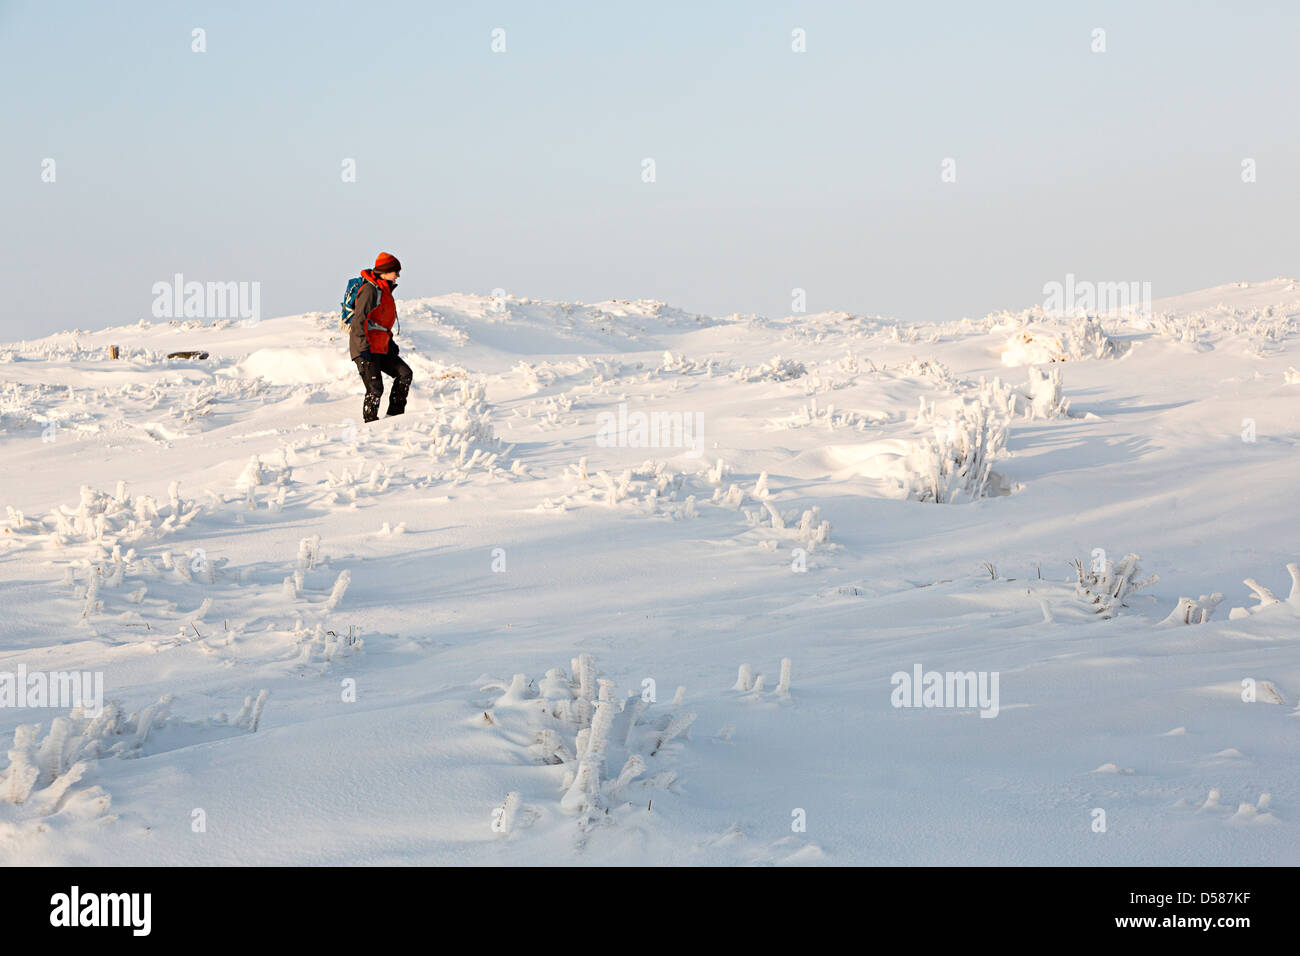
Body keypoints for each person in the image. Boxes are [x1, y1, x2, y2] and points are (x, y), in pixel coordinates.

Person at [349, 252, 412, 422]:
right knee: (375, 389)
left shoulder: (384, 292)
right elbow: (359, 321)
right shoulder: (370, 290)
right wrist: (363, 349)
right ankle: (371, 425)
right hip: (365, 348)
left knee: (404, 374)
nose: (398, 276)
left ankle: (394, 418)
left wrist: (390, 342)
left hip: (381, 347)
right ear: (385, 272)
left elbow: (380, 323)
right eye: (395, 272)